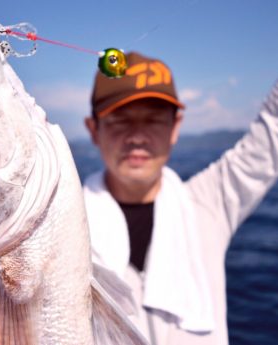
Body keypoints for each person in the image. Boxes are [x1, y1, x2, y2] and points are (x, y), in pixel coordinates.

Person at [83, 51, 278, 345]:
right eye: (120, 121)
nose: (137, 136)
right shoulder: (62, 228)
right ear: (93, 130)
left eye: (153, 120)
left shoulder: (208, 203)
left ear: (175, 127)